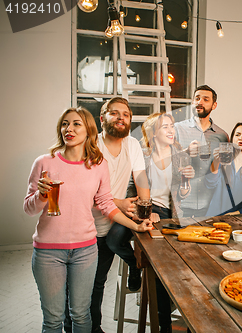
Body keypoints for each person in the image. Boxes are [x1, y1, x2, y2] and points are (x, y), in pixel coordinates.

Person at [23, 107, 152, 333]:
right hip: (48, 252)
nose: (68, 129)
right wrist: (40, 196)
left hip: (85, 250)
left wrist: (136, 225)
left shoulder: (98, 164)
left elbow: (106, 204)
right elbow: (29, 209)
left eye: (76, 124)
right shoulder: (44, 162)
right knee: (53, 320)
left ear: (88, 130)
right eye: (64, 124)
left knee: (81, 316)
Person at [77, 97, 149, 333]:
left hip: (114, 222)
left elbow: (140, 178)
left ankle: (94, 328)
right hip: (88, 226)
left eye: (126, 114)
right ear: (102, 118)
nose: (121, 118)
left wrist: (145, 206)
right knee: (88, 285)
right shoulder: (90, 146)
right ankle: (86, 327)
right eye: (114, 113)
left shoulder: (133, 145)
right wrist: (118, 202)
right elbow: (82, 192)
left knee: (99, 283)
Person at [132, 112, 195, 333]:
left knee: (187, 265)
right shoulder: (143, 156)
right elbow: (134, 192)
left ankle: (187, 318)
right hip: (150, 212)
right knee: (161, 264)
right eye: (164, 127)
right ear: (153, 133)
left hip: (175, 215)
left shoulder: (181, 155)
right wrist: (147, 212)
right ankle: (163, 325)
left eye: (172, 126)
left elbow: (185, 195)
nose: (171, 131)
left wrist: (187, 183)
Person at [174, 85, 229, 217]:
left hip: (210, 206)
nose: (200, 102)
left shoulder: (222, 136)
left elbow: (224, 172)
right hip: (181, 205)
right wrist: (186, 151)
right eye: (197, 98)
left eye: (205, 99)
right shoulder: (177, 129)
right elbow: (165, 162)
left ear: (214, 105)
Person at [206, 122, 242, 216]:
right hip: (215, 217)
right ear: (232, 139)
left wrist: (237, 213)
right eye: (237, 134)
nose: (241, 138)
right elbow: (210, 184)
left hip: (241, 220)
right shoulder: (222, 160)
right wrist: (216, 161)